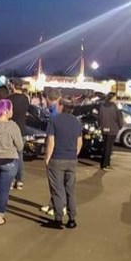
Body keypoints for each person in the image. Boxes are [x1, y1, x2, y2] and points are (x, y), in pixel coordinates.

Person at [43, 97, 83, 230]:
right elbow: (79, 142)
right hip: (71, 159)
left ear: (60, 106)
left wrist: (47, 158)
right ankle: (72, 219)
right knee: (70, 190)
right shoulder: (77, 122)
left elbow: (51, 141)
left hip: (57, 158)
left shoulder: (54, 120)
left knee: (57, 190)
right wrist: (73, 154)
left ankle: (58, 218)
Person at [8, 78, 30, 189]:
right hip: (22, 130)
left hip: (11, 130)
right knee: (19, 156)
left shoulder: (9, 99)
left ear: (13, 85)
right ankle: (20, 181)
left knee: (11, 156)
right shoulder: (26, 99)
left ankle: (11, 181)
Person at [97, 92, 123, 170]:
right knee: (109, 147)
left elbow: (99, 118)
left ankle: (103, 163)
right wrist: (119, 127)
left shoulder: (102, 106)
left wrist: (101, 126)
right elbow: (119, 119)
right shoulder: (115, 107)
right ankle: (106, 164)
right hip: (112, 129)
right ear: (112, 98)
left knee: (105, 146)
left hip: (104, 129)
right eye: (115, 97)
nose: (116, 99)